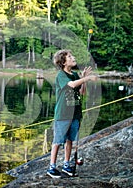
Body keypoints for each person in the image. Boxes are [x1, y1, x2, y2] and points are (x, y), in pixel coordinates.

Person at [47, 49, 97, 178]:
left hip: (75, 114)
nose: (73, 57)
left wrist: (83, 79)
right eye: (70, 56)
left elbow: (82, 92)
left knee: (70, 140)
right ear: (63, 62)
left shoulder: (74, 74)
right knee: (58, 140)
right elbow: (72, 85)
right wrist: (86, 77)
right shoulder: (61, 75)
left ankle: (66, 165)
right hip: (63, 114)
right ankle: (51, 167)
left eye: (72, 55)